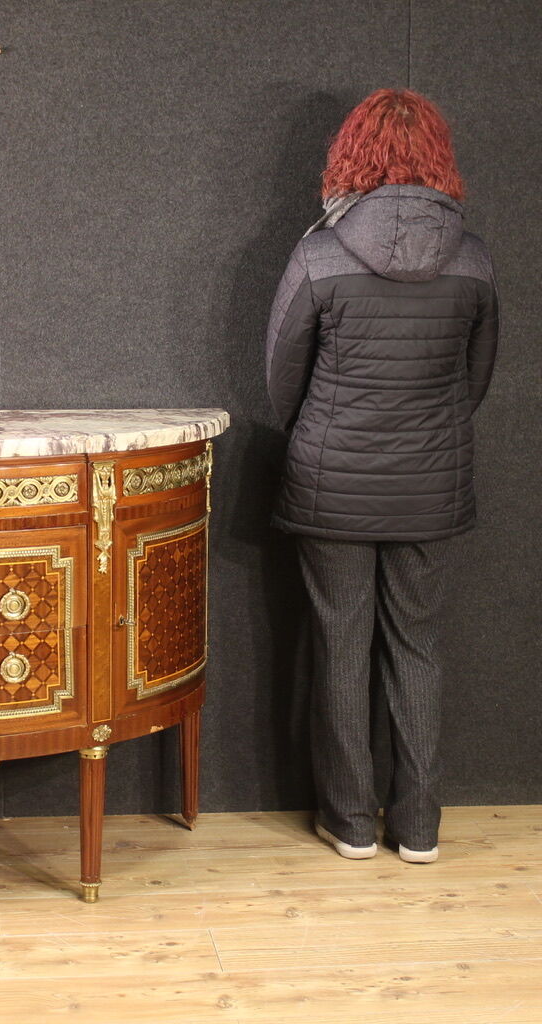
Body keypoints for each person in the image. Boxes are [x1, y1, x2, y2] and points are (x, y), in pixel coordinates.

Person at [264, 89, 499, 863]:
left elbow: (281, 383)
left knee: (338, 644)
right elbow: (475, 381)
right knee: (419, 647)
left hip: (331, 482)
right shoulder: (471, 258)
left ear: (351, 154)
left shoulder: (320, 253)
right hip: (431, 487)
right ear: (438, 155)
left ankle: (351, 824)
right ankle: (421, 829)